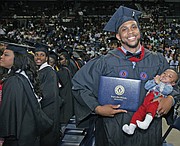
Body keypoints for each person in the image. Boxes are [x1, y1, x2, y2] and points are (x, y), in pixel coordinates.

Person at [72, 6, 180, 146]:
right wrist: (97, 108)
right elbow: (79, 85)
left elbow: (175, 84)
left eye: (134, 27)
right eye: (124, 29)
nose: (130, 32)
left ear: (139, 31)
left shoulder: (157, 60)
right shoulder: (105, 62)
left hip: (148, 131)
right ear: (118, 36)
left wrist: (170, 99)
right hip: (112, 130)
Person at [0, 42, 53, 146]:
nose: (1, 57)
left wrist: (2, 135)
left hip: (17, 137)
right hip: (28, 134)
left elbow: (9, 113)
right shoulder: (22, 76)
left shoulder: (14, 81)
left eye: (6, 55)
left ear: (17, 58)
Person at [122, 69, 178, 135]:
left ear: (173, 83)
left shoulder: (169, 87)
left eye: (169, 76)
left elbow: (166, 91)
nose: (165, 76)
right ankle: (131, 127)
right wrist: (154, 82)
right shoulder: (155, 81)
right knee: (139, 113)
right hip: (146, 101)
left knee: (151, 109)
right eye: (164, 73)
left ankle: (146, 123)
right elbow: (147, 86)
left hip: (155, 101)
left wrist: (159, 83)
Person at [34, 43, 63, 146]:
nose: (38, 57)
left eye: (42, 55)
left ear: (46, 58)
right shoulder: (40, 70)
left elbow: (48, 95)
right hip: (45, 112)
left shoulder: (49, 72)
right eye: (36, 54)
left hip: (48, 113)